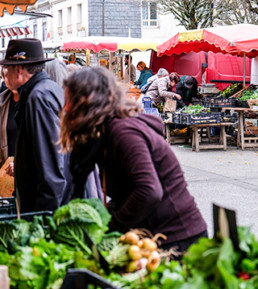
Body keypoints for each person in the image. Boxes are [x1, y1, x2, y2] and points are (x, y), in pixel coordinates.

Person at [59, 67, 208, 254]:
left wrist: (109, 227)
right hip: (153, 236)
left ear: (86, 100)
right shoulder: (106, 131)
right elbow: (126, 191)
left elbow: (149, 191)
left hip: (177, 239)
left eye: (69, 100)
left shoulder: (123, 131)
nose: (65, 109)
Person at [0, 38, 72, 213]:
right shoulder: (49, 89)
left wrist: (43, 220)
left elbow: (51, 168)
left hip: (48, 210)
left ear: (19, 70)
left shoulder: (38, 97)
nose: (4, 73)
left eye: (6, 68)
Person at [0, 67, 19, 176]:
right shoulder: (3, 103)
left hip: (27, 170)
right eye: (6, 76)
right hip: (5, 171)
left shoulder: (33, 101)